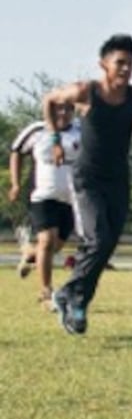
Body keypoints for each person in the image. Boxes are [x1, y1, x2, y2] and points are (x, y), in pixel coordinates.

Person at [46, 34, 132, 335]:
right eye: (119, 62)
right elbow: (49, 101)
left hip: (118, 179)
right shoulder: (85, 91)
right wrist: (55, 139)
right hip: (87, 178)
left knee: (106, 245)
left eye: (130, 63)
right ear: (103, 64)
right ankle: (76, 303)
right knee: (99, 239)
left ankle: (70, 294)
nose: (126, 69)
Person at [8, 102, 81, 308]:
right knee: (47, 241)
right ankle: (46, 291)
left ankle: (30, 254)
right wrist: (15, 183)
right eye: (59, 109)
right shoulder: (37, 131)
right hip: (42, 196)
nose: (63, 113)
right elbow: (16, 152)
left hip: (70, 199)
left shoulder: (80, 132)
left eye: (68, 109)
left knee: (55, 247)